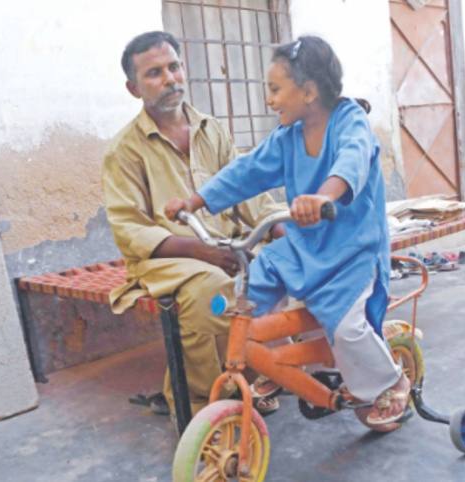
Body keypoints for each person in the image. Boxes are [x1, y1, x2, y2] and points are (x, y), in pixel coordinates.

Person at [165, 35, 411, 425]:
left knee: (346, 329)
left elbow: (353, 158)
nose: (269, 100)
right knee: (246, 295)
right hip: (303, 246)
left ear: (309, 92)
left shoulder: (350, 121)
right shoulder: (288, 137)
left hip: (351, 252)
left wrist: (324, 196)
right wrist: (195, 201)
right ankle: (278, 363)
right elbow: (246, 171)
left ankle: (391, 380)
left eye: (276, 89)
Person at [101, 31, 287, 419]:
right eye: (154, 73)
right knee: (214, 295)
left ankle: (253, 377)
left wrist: (277, 228)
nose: (170, 79)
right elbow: (130, 229)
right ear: (134, 88)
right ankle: (202, 404)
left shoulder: (211, 129)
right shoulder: (124, 150)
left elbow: (245, 186)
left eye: (174, 67)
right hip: (167, 259)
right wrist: (201, 251)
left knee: (283, 267)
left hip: (225, 247)